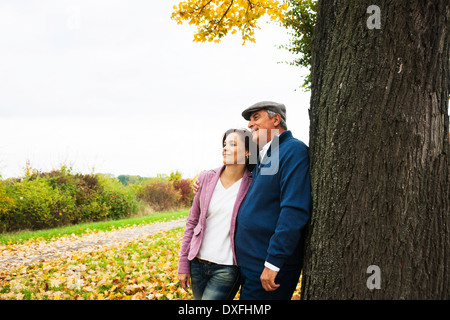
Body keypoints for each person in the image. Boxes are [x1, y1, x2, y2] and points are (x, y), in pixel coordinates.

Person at [193, 101, 311, 300]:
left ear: (276, 120)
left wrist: (273, 263)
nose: (250, 124)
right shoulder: (267, 155)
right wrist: (204, 178)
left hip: (267, 267)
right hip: (247, 265)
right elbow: (236, 170)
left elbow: (294, 210)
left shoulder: (293, 150)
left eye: (256, 117)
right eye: (249, 120)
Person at [177, 128, 256, 300]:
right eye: (225, 144)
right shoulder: (206, 178)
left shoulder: (254, 184)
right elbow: (192, 222)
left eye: (233, 144)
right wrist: (183, 264)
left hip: (227, 268)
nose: (225, 148)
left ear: (248, 152)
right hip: (197, 264)